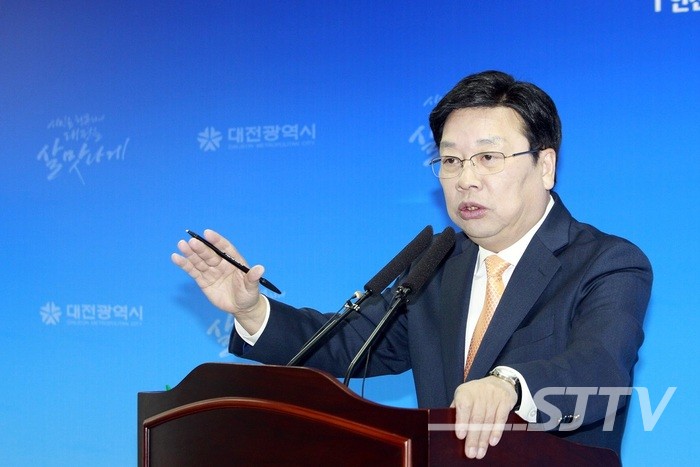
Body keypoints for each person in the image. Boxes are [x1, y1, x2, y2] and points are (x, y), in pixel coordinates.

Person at [172, 70, 652, 460]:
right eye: (451, 161)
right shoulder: (438, 264)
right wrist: (251, 310)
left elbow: (601, 367)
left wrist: (508, 385)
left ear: (545, 165)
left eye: (488, 157)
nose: (466, 179)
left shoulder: (606, 262)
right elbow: (349, 343)